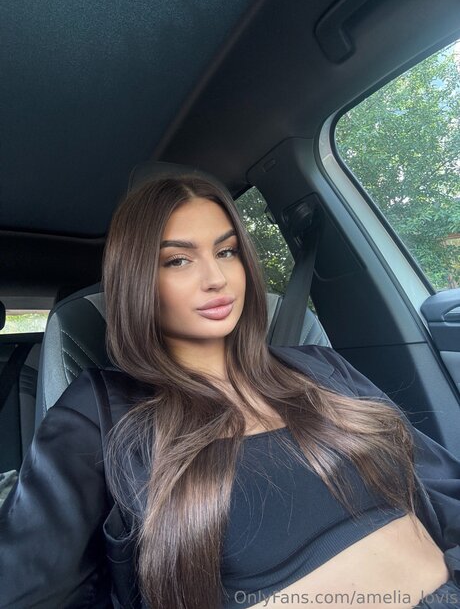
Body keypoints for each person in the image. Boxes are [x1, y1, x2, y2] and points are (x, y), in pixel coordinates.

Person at [0, 173, 460, 609]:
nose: (216, 278)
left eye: (226, 251)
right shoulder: (98, 412)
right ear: (137, 279)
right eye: (178, 260)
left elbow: (444, 490)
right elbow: (32, 589)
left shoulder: (321, 366)